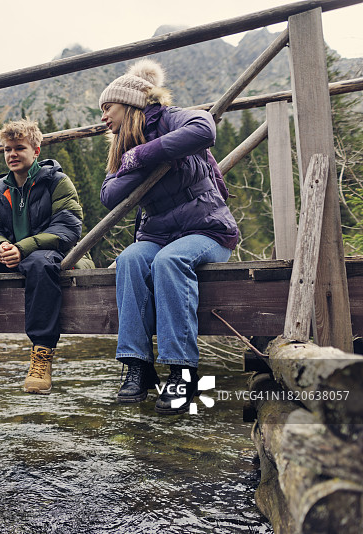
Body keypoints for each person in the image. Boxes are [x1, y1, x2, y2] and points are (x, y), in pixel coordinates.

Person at [98, 59, 239, 414]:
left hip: (207, 230)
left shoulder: (168, 118)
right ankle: (137, 365)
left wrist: (144, 152)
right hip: (158, 233)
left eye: (108, 107)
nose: (103, 117)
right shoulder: (121, 147)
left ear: (129, 104)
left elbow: (203, 129)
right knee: (130, 259)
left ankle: (181, 371)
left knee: (170, 261)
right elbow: (109, 194)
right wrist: (138, 160)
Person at [0, 118, 92, 395]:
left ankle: (42, 355)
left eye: (19, 148)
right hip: (11, 253)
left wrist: (22, 248)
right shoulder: (1, 187)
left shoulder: (57, 181)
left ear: (36, 151)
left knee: (39, 263)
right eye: (7, 149)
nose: (12, 154)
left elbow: (67, 228)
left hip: (49, 252)